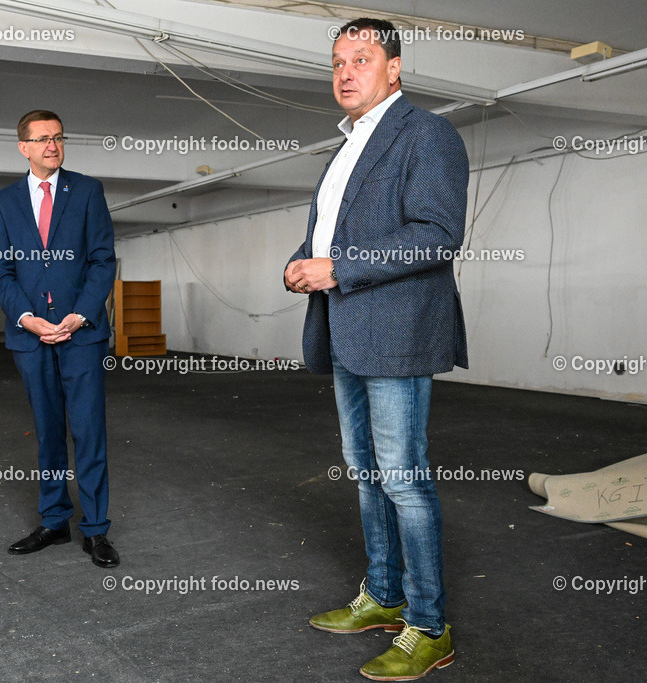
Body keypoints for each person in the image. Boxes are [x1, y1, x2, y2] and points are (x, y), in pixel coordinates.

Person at [284, 18, 469, 681]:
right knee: (365, 471)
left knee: (403, 477)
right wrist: (302, 261)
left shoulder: (427, 134)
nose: (344, 71)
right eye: (336, 61)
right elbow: (330, 236)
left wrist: (336, 267)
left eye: (361, 58)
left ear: (394, 69)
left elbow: (437, 234)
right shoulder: (345, 149)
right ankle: (384, 594)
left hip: (395, 333)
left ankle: (428, 624)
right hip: (346, 331)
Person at [0, 110, 119, 568]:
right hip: (31, 337)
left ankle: (96, 531)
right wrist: (26, 318)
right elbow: (1, 270)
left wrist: (81, 315)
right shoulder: (3, 202)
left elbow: (103, 260)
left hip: (80, 335)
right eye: (42, 139)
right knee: (47, 435)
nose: (53, 146)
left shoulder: (86, 191)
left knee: (88, 433)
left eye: (59, 138)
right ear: (23, 147)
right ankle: (54, 521)